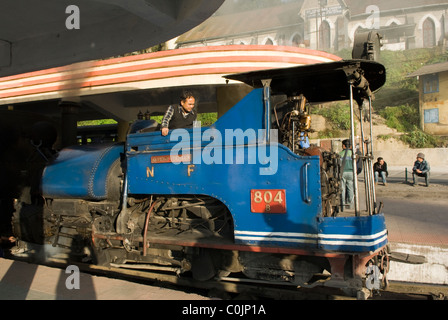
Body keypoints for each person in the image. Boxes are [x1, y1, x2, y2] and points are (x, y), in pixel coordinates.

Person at [339, 139, 355, 208]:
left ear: (343, 146)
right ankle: (350, 205)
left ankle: (342, 204)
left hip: (343, 172)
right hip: (351, 172)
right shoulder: (352, 154)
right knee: (350, 188)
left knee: (342, 189)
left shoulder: (340, 154)